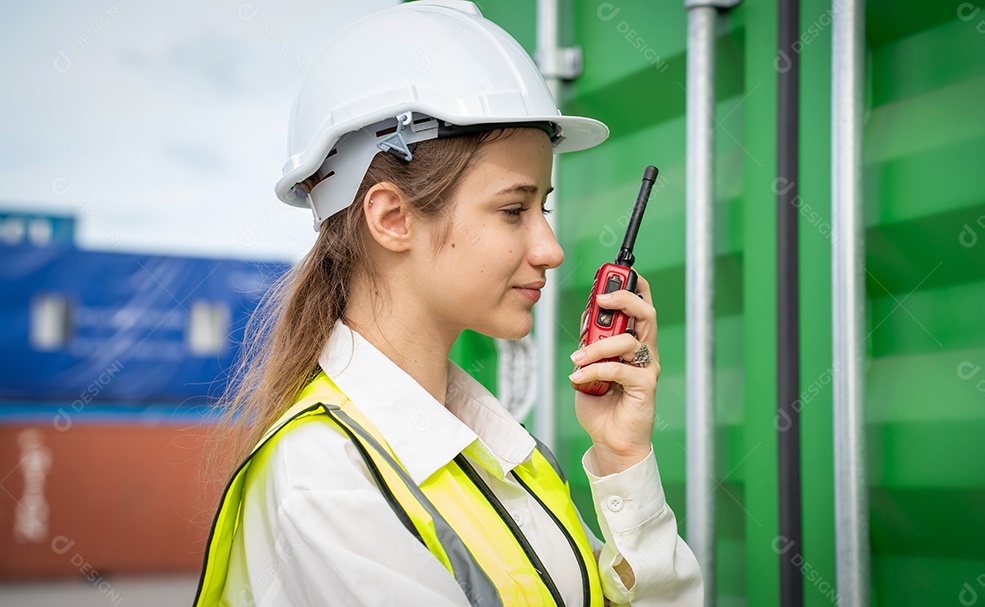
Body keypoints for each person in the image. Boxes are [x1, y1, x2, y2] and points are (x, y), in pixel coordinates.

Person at [194, 2, 703, 606]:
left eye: (541, 206)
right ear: (392, 218)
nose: (551, 249)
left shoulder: (496, 448)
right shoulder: (326, 479)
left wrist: (623, 457)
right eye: (513, 209)